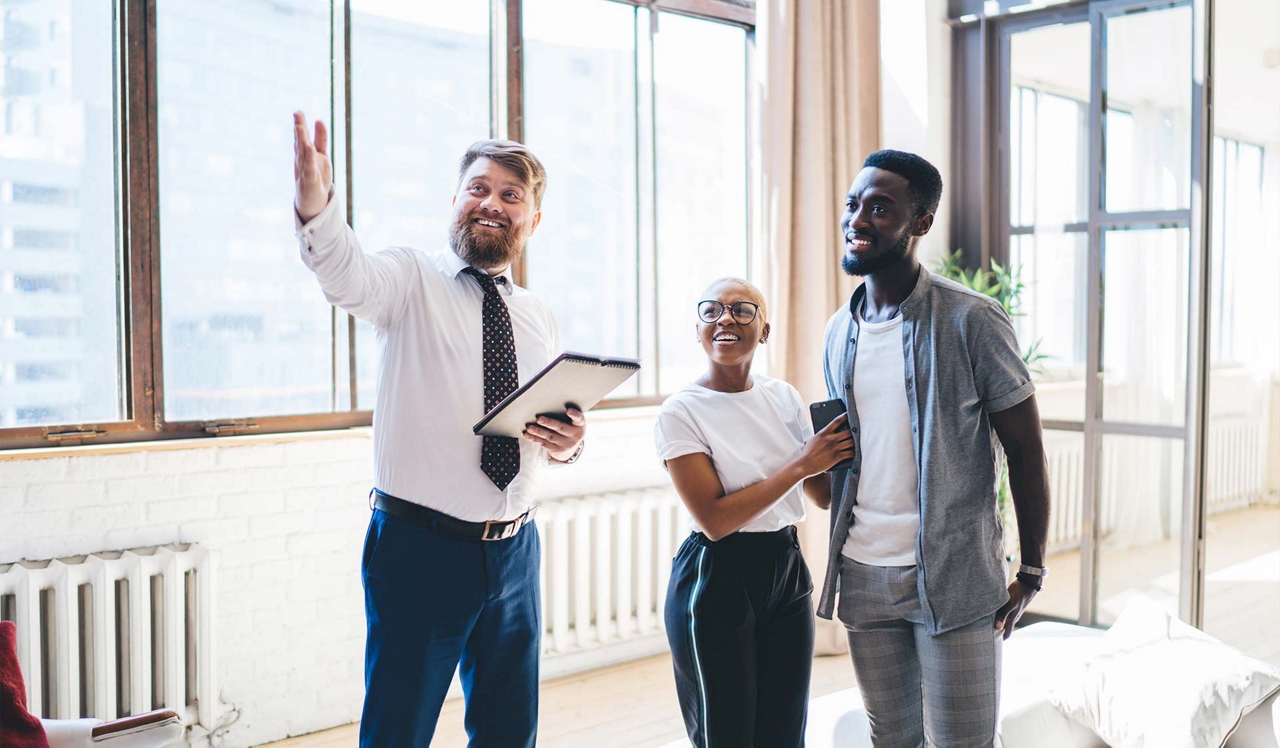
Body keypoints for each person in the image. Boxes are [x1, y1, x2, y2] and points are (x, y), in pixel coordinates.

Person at [292, 112, 586, 748]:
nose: (492, 203)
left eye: (512, 196)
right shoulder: (409, 278)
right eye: (478, 187)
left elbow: (544, 426)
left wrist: (570, 444)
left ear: (532, 221)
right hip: (419, 549)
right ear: (455, 200)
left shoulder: (538, 316)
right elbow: (346, 274)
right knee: (399, 728)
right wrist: (317, 208)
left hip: (515, 550)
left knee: (510, 729)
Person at [817, 150, 1051, 747]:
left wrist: (1031, 569)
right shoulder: (838, 332)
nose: (858, 219)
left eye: (880, 207)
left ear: (919, 224)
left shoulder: (973, 320)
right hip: (864, 574)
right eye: (853, 204)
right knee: (892, 741)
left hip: (955, 577)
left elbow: (1026, 450)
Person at [654, 277, 855, 748]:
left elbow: (822, 496)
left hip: (785, 563)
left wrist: (841, 449)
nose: (725, 318)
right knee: (727, 734)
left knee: (785, 732)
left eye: (743, 310)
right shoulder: (681, 411)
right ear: (699, 329)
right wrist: (801, 464)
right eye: (712, 311)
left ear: (763, 330)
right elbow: (715, 520)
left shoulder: (783, 396)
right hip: (716, 574)